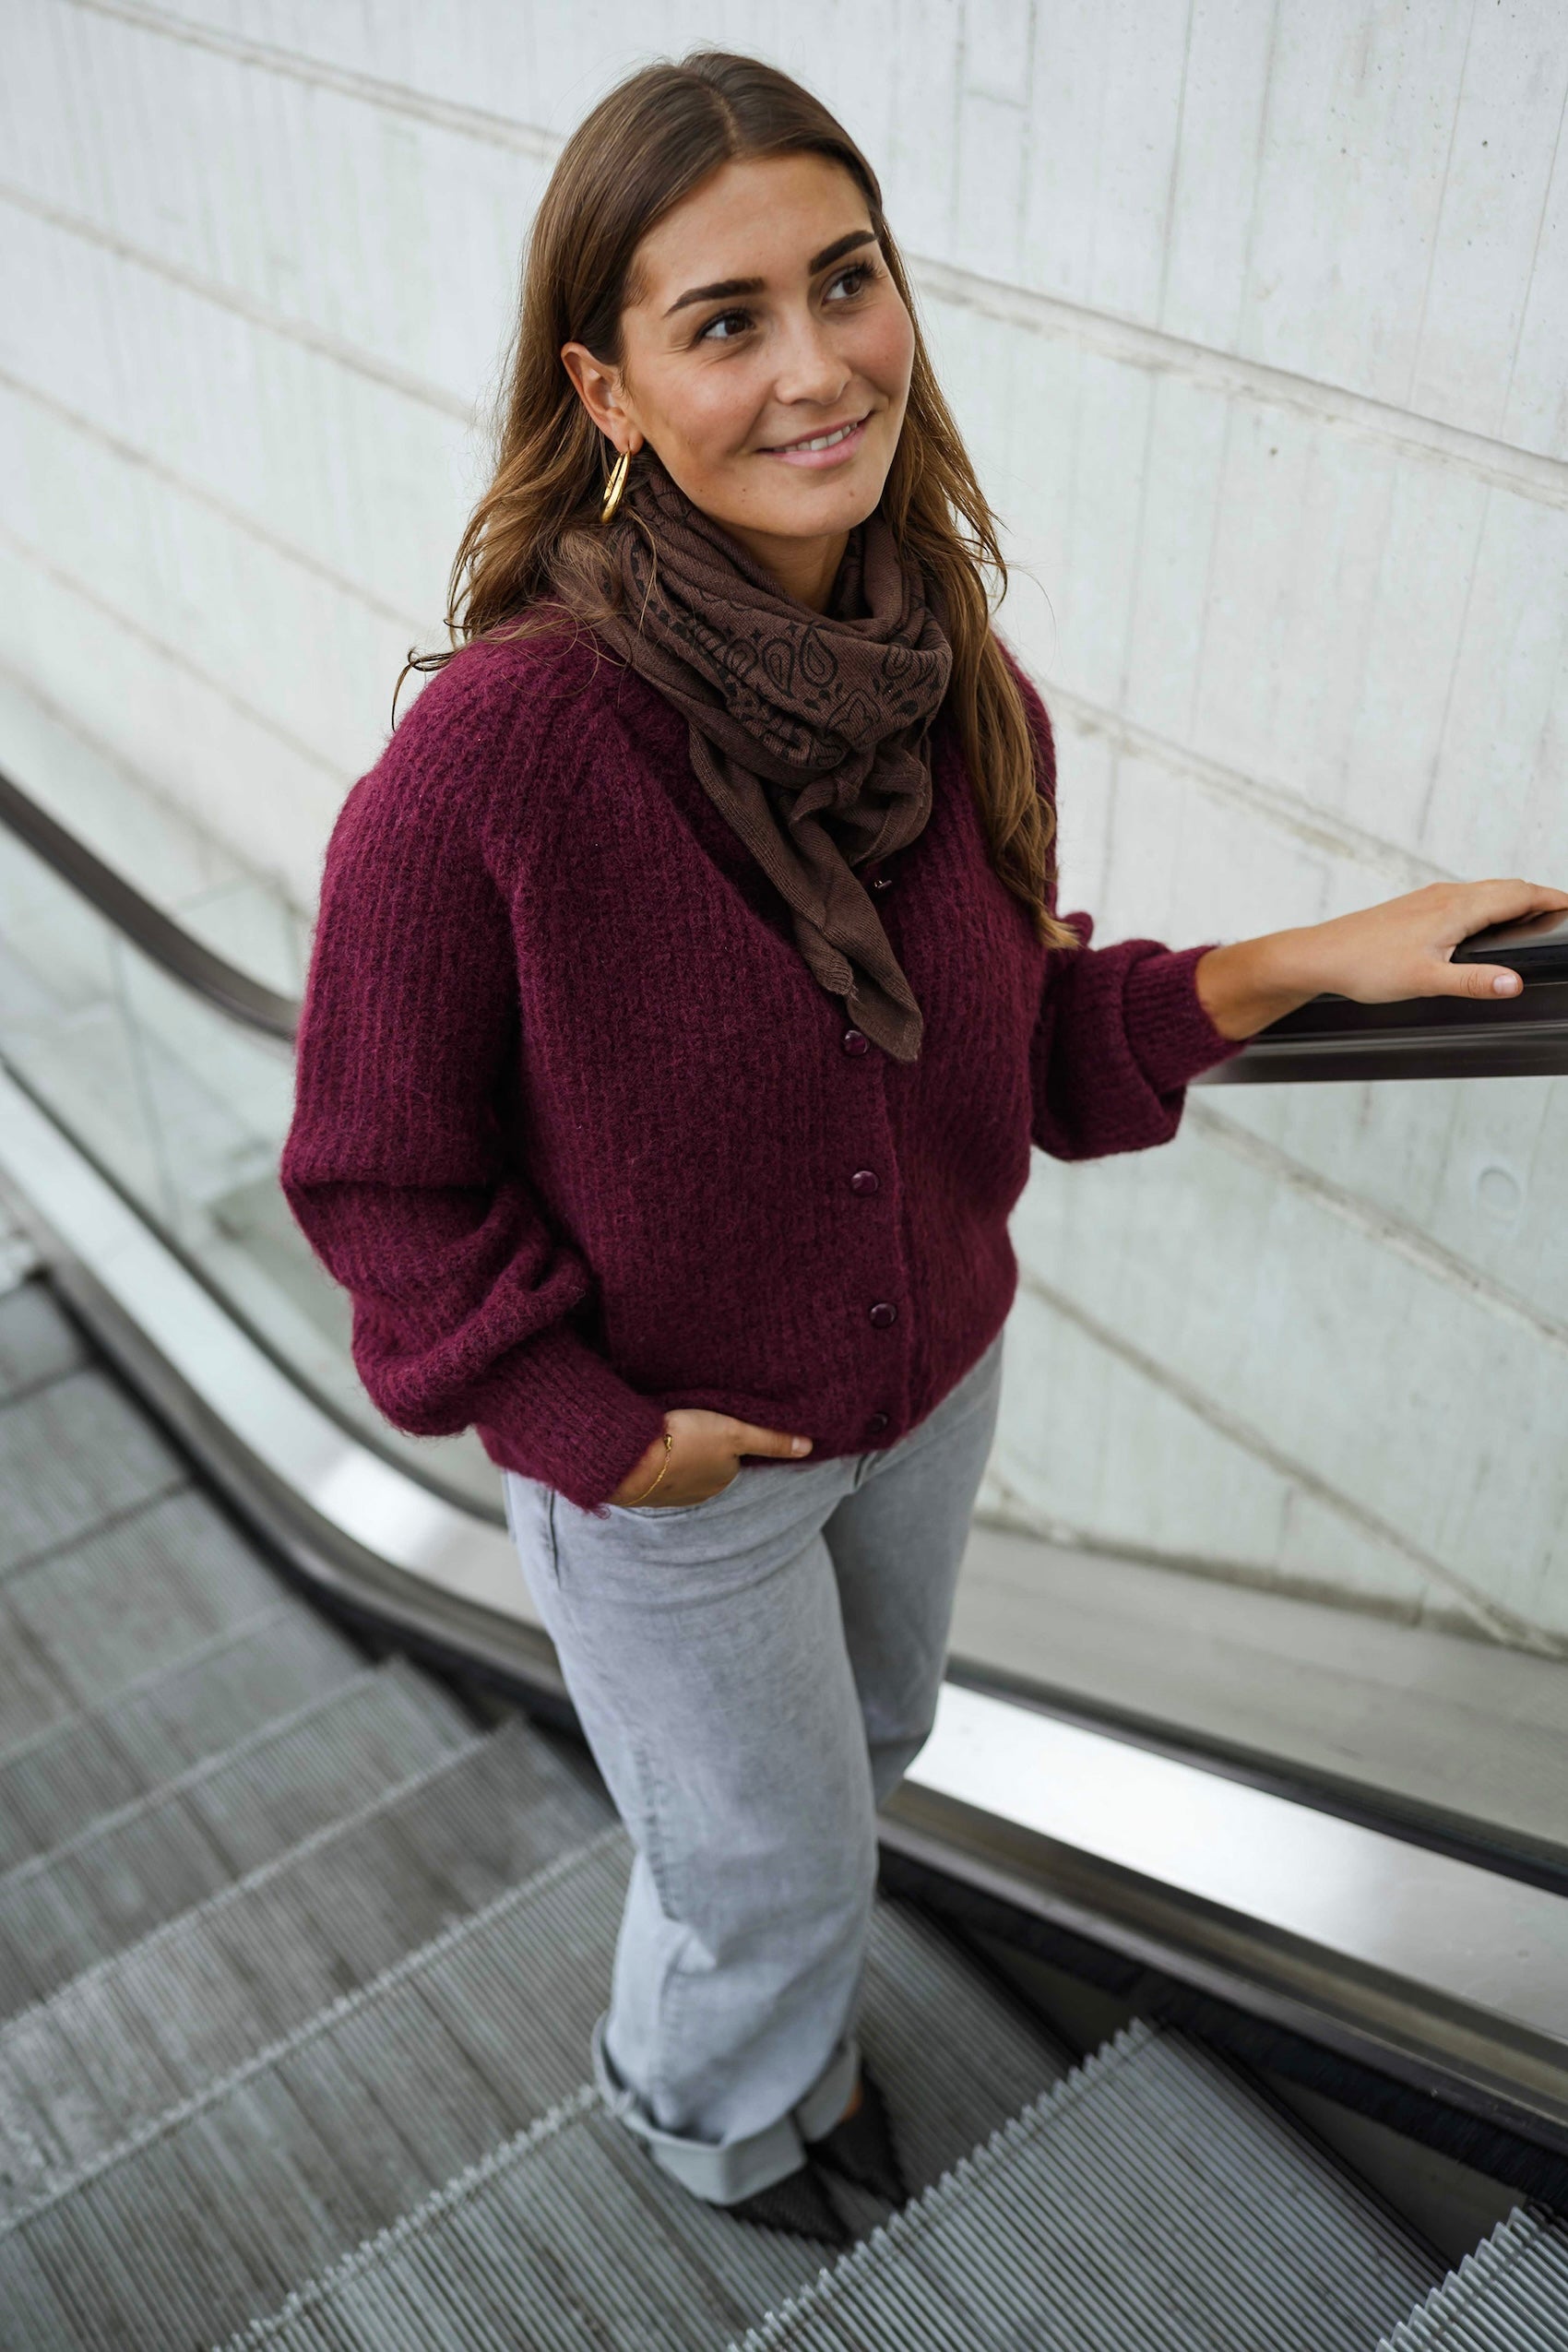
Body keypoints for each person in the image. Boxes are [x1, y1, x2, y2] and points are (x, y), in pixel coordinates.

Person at [279, 50, 1568, 2249]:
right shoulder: (496, 761)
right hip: (670, 1465)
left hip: (932, 1386)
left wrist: (1314, 957)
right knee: (760, 1855)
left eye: (844, 281)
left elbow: (1024, 1055)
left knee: (862, 1757)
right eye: (724, 320)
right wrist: (598, 1430)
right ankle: (710, 2120)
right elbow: (374, 1178)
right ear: (603, 388)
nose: (817, 365)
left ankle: (768, 2036)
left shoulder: (956, 681)